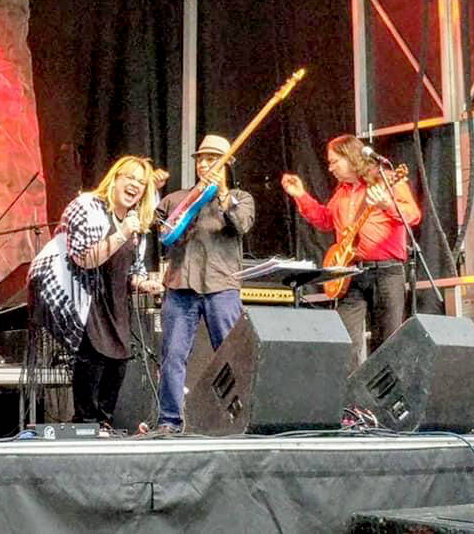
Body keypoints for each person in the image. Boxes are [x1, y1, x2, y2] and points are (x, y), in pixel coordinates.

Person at [28, 156, 168, 426]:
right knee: (92, 360)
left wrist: (143, 283)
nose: (135, 185)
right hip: (84, 296)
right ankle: (85, 423)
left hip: (116, 304)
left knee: (118, 365)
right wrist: (121, 234)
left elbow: (130, 270)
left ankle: (103, 423)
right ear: (114, 179)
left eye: (141, 182)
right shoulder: (86, 206)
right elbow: (83, 258)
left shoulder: (133, 222)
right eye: (129, 178)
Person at [281, 134, 421, 370]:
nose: (330, 167)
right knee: (346, 341)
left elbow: (413, 215)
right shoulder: (343, 192)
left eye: (334, 161)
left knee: (386, 343)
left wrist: (388, 204)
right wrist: (300, 195)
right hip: (350, 273)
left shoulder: (387, 179)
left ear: (351, 157)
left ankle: (379, 403)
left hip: (386, 272)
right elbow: (326, 220)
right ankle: (352, 402)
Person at [155, 134, 255, 435]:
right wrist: (153, 191)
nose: (205, 164)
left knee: (230, 354)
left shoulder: (241, 198)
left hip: (221, 286)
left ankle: (240, 419)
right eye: (201, 159)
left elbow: (241, 224)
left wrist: (223, 194)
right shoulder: (177, 199)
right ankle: (169, 421)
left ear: (226, 165)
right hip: (180, 285)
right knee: (172, 354)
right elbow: (157, 226)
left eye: (212, 159)